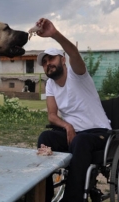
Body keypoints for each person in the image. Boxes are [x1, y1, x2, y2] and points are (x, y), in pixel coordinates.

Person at [35, 18, 112, 202]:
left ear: (62, 59)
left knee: (81, 141)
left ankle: (72, 199)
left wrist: (54, 34)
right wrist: (67, 125)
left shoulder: (78, 74)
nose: (47, 64)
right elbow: (52, 116)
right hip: (74, 134)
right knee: (45, 138)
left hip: (98, 133)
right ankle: (42, 197)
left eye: (51, 59)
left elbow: (73, 52)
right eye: (44, 62)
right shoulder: (51, 85)